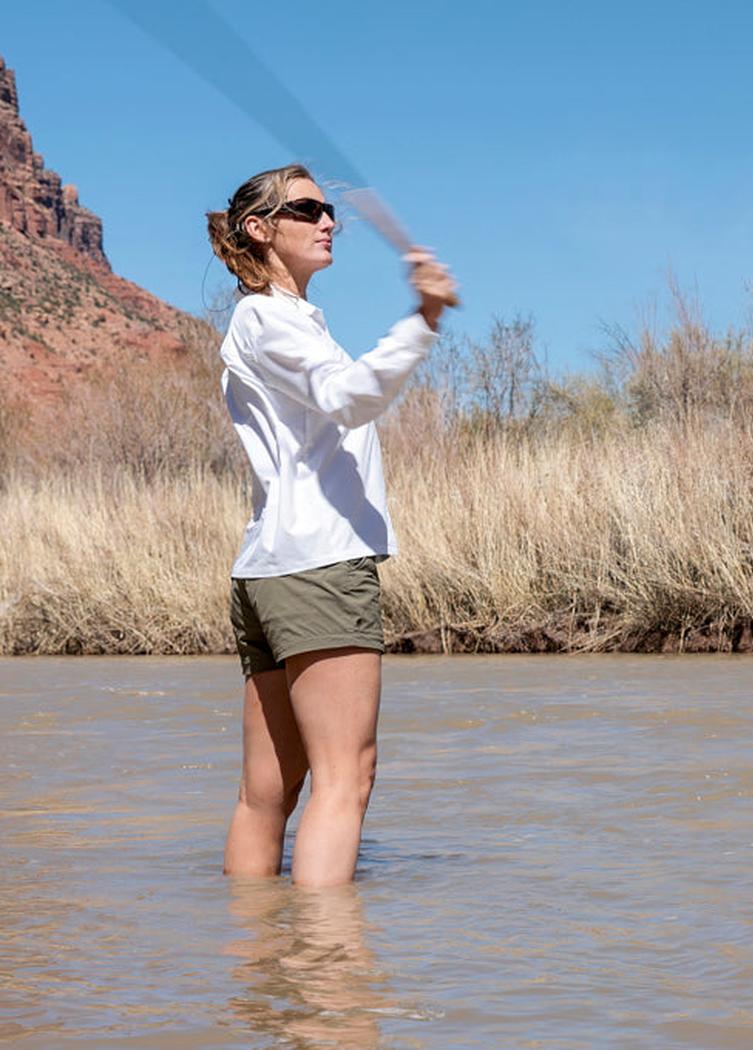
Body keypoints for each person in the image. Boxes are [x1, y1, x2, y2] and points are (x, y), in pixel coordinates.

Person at [205, 163, 457, 887]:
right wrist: (424, 319)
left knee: (268, 791)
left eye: (328, 209)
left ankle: (258, 948)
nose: (328, 221)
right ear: (260, 229)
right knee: (346, 779)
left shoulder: (275, 322)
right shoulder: (269, 321)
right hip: (317, 566)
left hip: (270, 570)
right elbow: (349, 397)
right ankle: (327, 955)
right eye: (308, 209)